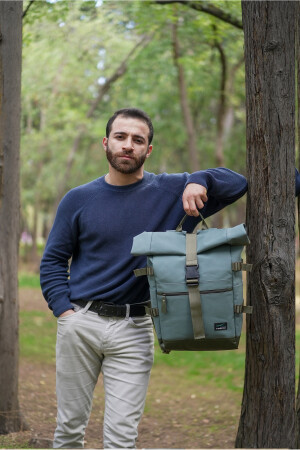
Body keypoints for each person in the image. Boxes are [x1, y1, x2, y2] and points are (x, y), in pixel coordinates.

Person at [40, 108, 249, 448]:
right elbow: (52, 260)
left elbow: (238, 184)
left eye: (138, 140)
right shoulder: (77, 199)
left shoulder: (172, 192)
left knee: (122, 439)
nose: (128, 145)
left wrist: (200, 179)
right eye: (121, 137)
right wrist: (64, 313)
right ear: (106, 143)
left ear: (148, 150)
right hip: (81, 323)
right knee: (68, 431)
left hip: (134, 330)